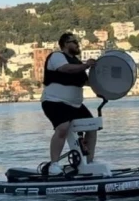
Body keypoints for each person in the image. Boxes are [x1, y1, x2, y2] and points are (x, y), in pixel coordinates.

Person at [41, 32, 97, 174]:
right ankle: (54, 164)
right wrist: (86, 65)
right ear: (65, 44)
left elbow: (87, 82)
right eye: (74, 42)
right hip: (54, 102)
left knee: (92, 126)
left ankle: (88, 163)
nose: (78, 44)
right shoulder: (57, 56)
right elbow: (65, 69)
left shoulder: (78, 63)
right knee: (63, 128)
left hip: (75, 105)